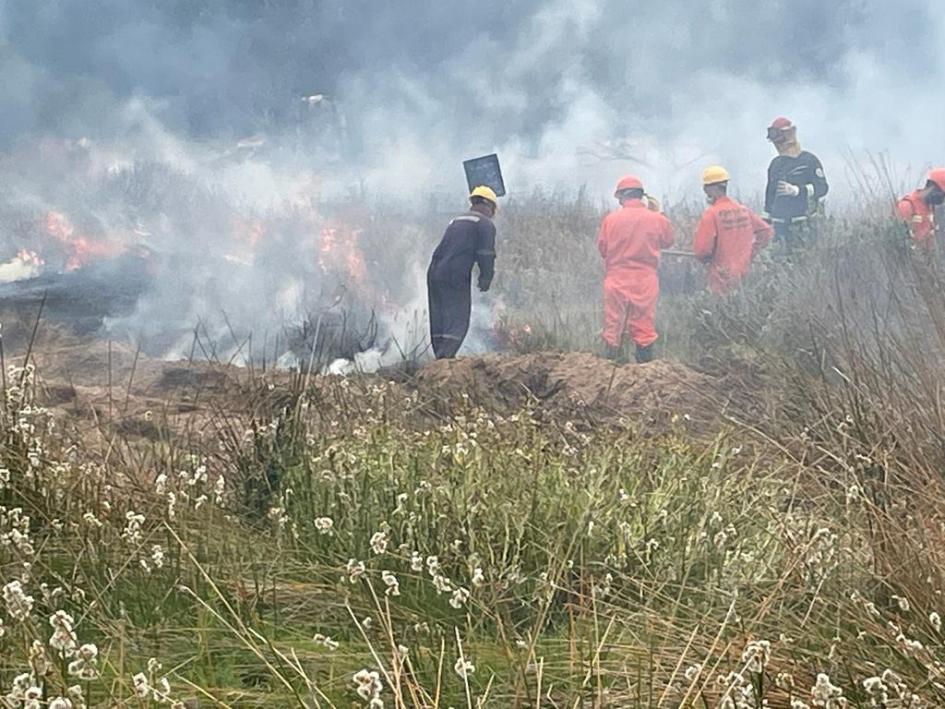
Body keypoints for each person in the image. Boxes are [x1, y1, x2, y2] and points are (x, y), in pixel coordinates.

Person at [596, 175, 674, 363]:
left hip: (616, 279)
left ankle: (610, 369)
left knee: (614, 327)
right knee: (644, 327)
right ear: (641, 196)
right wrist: (659, 214)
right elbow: (668, 241)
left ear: (622, 196)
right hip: (645, 280)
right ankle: (644, 371)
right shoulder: (656, 219)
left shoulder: (611, 220)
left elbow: (603, 249)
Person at [427, 186, 497, 359]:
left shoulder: (456, 220)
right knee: (457, 319)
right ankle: (445, 361)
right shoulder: (485, 224)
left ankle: (438, 361)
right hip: (454, 274)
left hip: (434, 273)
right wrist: (486, 278)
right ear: (488, 205)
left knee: (439, 319)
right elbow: (486, 254)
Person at [694, 165, 773, 294]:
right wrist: (751, 253)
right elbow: (766, 232)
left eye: (706, 188)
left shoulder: (711, 214)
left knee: (721, 311)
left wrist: (705, 260)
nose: (705, 192)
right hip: (745, 273)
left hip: (720, 275)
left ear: (713, 188)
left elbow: (702, 250)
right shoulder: (744, 210)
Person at [764, 117, 828, 252]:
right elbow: (769, 199)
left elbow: (822, 188)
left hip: (803, 225)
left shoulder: (809, 160)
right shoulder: (776, 164)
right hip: (780, 228)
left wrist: (799, 191)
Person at [896, 168, 945, 251]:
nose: (942, 199)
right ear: (933, 188)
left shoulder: (931, 208)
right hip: (908, 259)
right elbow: (897, 240)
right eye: (942, 194)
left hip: (927, 259)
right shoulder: (907, 206)